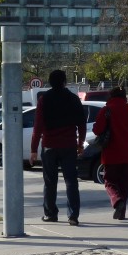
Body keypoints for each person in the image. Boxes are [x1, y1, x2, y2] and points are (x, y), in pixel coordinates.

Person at [30, 70, 86, 226]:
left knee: (49, 182)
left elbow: (38, 126)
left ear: (49, 81)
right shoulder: (73, 99)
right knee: (71, 181)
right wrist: (80, 143)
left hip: (49, 145)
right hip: (68, 144)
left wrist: (34, 149)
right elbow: (81, 123)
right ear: (64, 82)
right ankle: (73, 215)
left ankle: (50, 213)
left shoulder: (44, 99)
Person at [93, 87, 128, 220]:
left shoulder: (107, 110)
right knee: (126, 183)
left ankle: (117, 201)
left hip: (113, 152)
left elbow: (97, 129)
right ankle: (122, 212)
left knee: (110, 181)